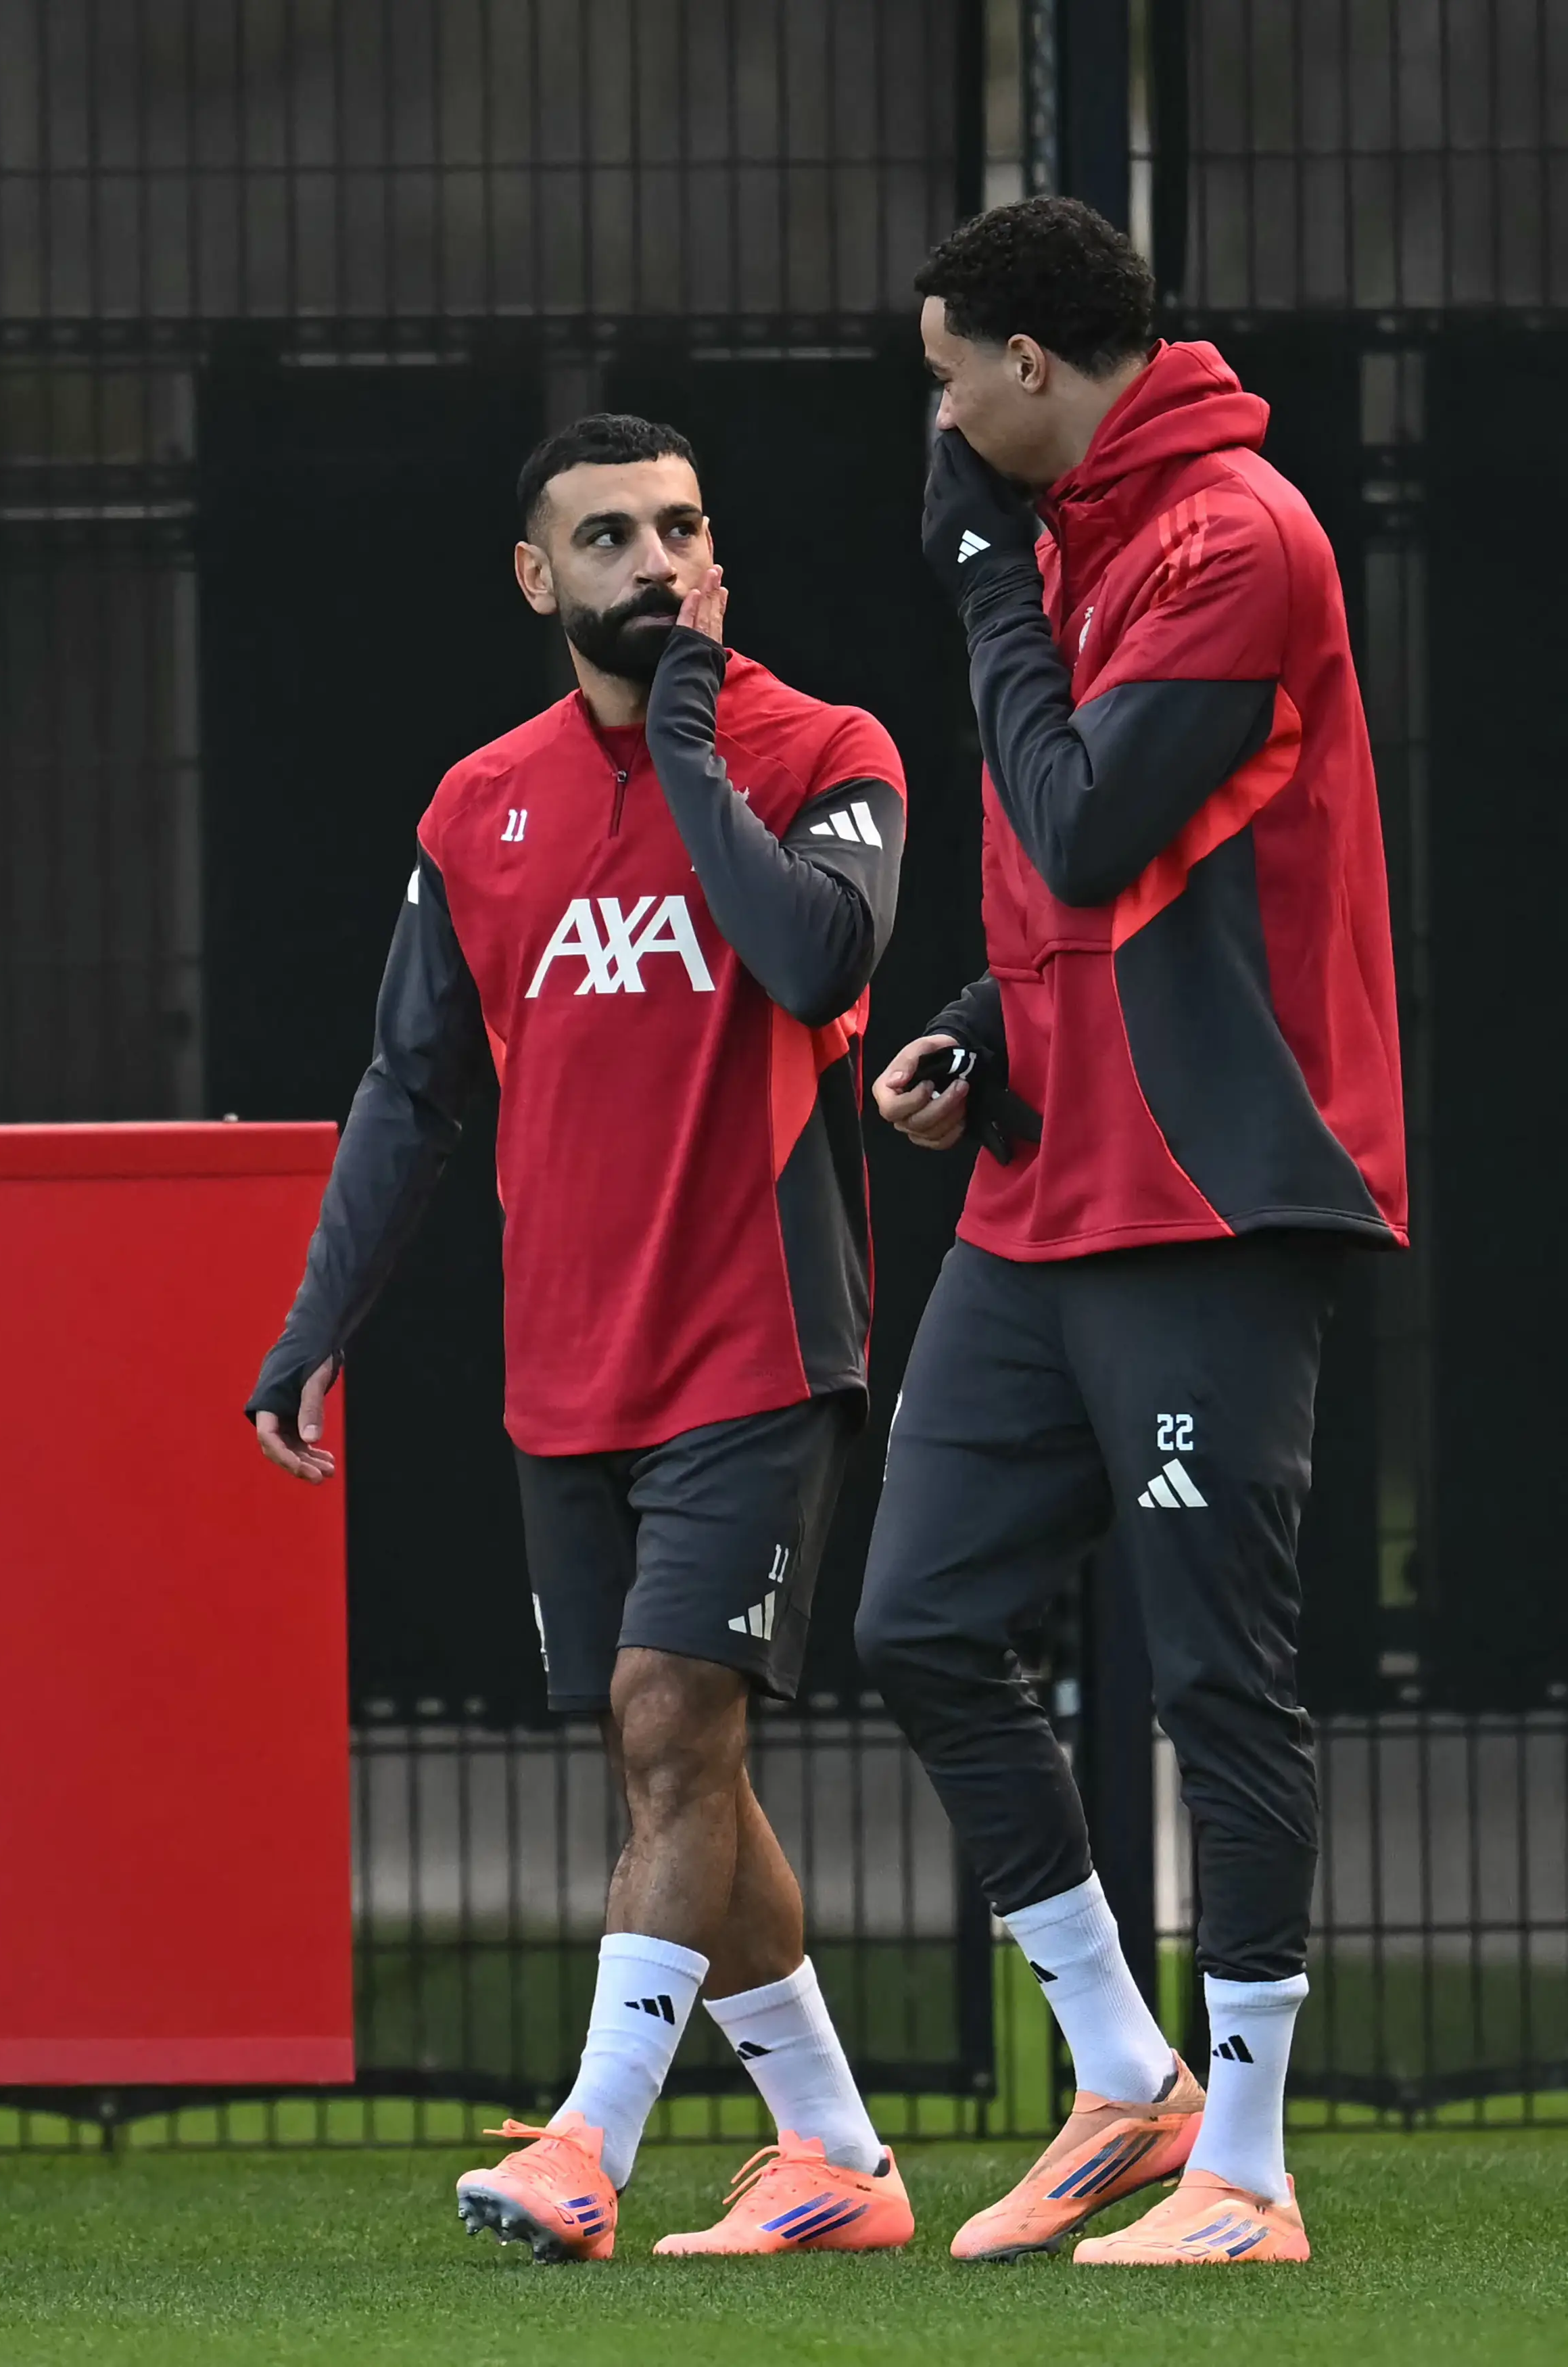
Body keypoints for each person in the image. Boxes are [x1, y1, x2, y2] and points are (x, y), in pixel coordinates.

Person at [247, 413, 915, 2264]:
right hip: (571, 1358)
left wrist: (689, 732)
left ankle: (586, 2143)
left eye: (682, 526)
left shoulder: (825, 751)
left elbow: (814, 965)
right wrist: (321, 1326)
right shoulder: (479, 807)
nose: (653, 560)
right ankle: (835, 2149)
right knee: (674, 1765)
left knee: (665, 1719)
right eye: (608, 535)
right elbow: (408, 1085)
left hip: (762, 1338)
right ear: (538, 580)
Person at [858, 197, 1406, 2268]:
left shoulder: (1233, 533)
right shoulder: (1087, 536)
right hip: (1044, 1176)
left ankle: (1246, 2172)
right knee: (916, 1618)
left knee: (1213, 1674)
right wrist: (975, 1029)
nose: (932, 422)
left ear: (1020, 366)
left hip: (1212, 1191)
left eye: (939, 377)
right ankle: (1118, 2073)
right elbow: (1107, 880)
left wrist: (989, 580)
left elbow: (1089, 823)